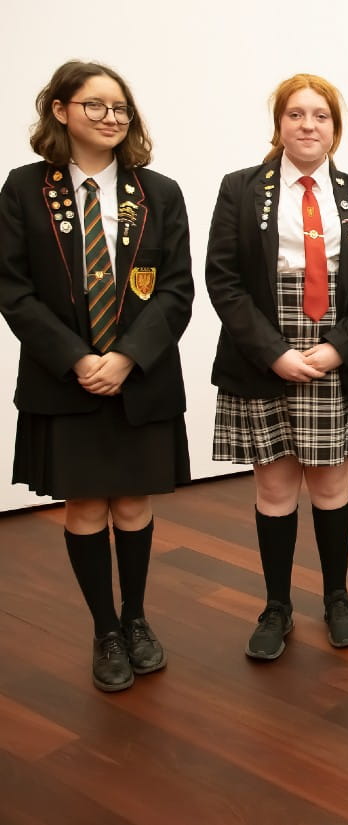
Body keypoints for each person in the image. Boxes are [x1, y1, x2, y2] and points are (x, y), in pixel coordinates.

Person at [0, 61, 193, 691]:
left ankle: (137, 619)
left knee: (133, 502)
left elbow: (176, 291)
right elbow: (14, 288)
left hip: (140, 375)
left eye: (121, 109)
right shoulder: (25, 189)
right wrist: (79, 359)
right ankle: (104, 629)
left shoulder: (158, 193)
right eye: (96, 106)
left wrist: (128, 357)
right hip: (67, 378)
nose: (111, 118)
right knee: (83, 505)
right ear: (60, 110)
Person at [206, 73, 348, 661]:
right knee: (274, 483)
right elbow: (223, 280)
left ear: (336, 127)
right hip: (264, 348)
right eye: (296, 115)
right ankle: (276, 606)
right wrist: (272, 351)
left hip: (333, 346)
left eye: (321, 116)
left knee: (329, 483)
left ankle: (337, 597)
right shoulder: (241, 188)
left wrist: (340, 347)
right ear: (278, 124)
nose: (309, 126)